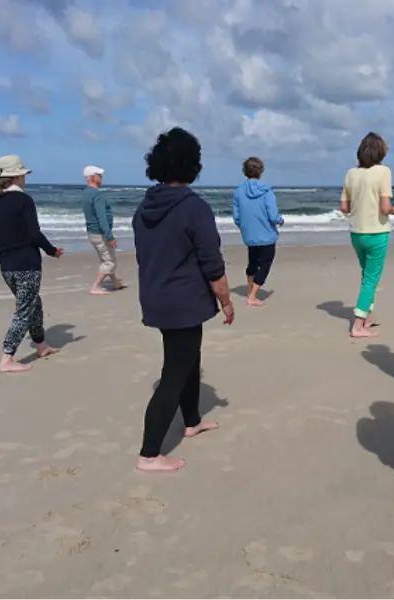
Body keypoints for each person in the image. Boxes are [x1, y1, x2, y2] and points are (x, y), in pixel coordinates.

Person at [132, 127, 233, 472]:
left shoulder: (146, 206)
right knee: (174, 372)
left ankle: (191, 421)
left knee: (190, 357)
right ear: (192, 165)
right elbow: (212, 262)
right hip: (183, 301)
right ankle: (149, 454)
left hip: (157, 297)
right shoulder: (194, 208)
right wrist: (226, 300)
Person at [0, 155, 63, 373]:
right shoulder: (24, 200)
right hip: (27, 264)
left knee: (33, 304)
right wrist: (52, 251)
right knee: (23, 310)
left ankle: (41, 345)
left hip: (6, 264)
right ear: (18, 176)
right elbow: (34, 233)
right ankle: (7, 358)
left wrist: (8, 245)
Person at [339, 132, 394, 338]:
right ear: (380, 152)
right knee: (371, 279)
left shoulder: (351, 174)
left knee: (367, 275)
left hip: (356, 232)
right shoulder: (384, 172)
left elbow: (344, 207)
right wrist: (393, 210)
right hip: (377, 232)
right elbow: (384, 207)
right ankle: (357, 324)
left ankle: (367, 316)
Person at [232, 156, 284, 306]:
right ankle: (252, 296)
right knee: (265, 265)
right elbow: (273, 215)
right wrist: (280, 220)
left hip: (250, 234)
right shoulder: (267, 191)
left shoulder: (238, 192)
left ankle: (250, 291)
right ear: (261, 171)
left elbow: (237, 217)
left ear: (244, 172)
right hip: (267, 234)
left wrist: (245, 226)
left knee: (253, 262)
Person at [82, 165, 124, 295]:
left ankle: (115, 282)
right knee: (110, 261)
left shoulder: (86, 193)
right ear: (93, 177)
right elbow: (102, 217)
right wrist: (109, 236)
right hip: (99, 232)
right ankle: (96, 286)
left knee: (106, 257)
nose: (102, 177)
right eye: (99, 175)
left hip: (92, 232)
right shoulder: (97, 195)